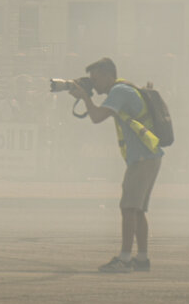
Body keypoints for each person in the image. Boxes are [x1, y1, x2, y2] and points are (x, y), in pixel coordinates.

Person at [68, 57, 164, 274]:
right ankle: (141, 259)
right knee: (137, 211)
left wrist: (84, 96)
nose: (94, 84)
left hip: (142, 158)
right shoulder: (125, 88)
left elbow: (96, 116)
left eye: (96, 79)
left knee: (128, 208)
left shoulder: (118, 92)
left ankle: (124, 258)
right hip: (149, 155)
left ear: (107, 75)